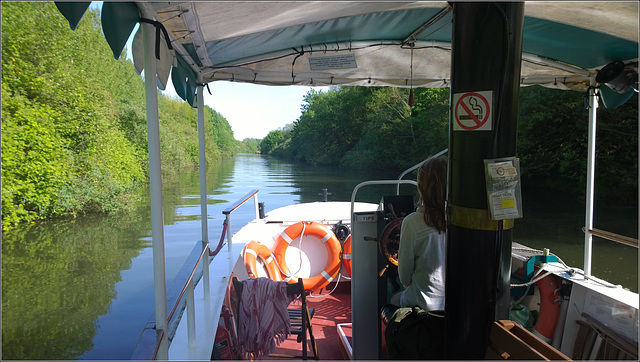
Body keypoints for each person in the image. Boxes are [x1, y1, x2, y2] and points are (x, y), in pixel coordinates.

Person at [390, 156, 447, 311]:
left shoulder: (412, 222)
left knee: (393, 297)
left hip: (425, 306)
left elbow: (405, 278)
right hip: (454, 304)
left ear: (422, 186)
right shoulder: (461, 220)